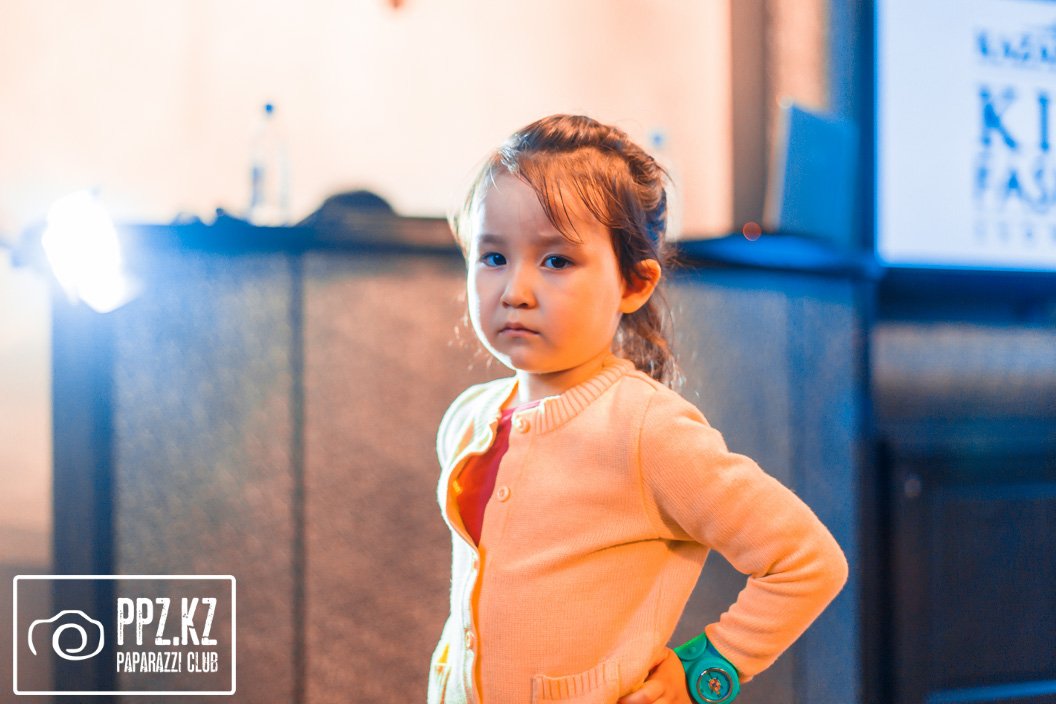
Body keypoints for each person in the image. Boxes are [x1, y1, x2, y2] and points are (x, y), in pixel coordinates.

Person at [429, 114, 848, 704]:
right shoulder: (467, 419)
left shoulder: (647, 429)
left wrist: (702, 673)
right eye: (492, 257)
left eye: (556, 261)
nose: (514, 291)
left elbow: (807, 561)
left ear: (634, 284)